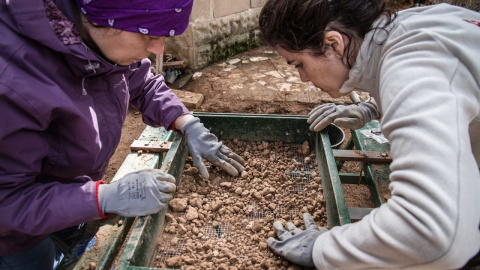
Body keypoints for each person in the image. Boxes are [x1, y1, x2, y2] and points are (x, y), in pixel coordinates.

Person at [0, 0, 245, 269]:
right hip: (16, 234)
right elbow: (8, 201)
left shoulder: (98, 42)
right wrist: (102, 198)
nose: (158, 48)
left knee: (74, 240)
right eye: (150, 34)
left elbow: (141, 81)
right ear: (107, 17)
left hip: (72, 189)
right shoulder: (11, 81)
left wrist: (187, 122)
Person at [259, 0, 480, 269]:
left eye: (298, 64)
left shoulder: (411, 64)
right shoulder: (407, 27)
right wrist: (372, 107)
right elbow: (446, 83)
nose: (303, 78)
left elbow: (434, 235)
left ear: (333, 45)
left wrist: (322, 249)